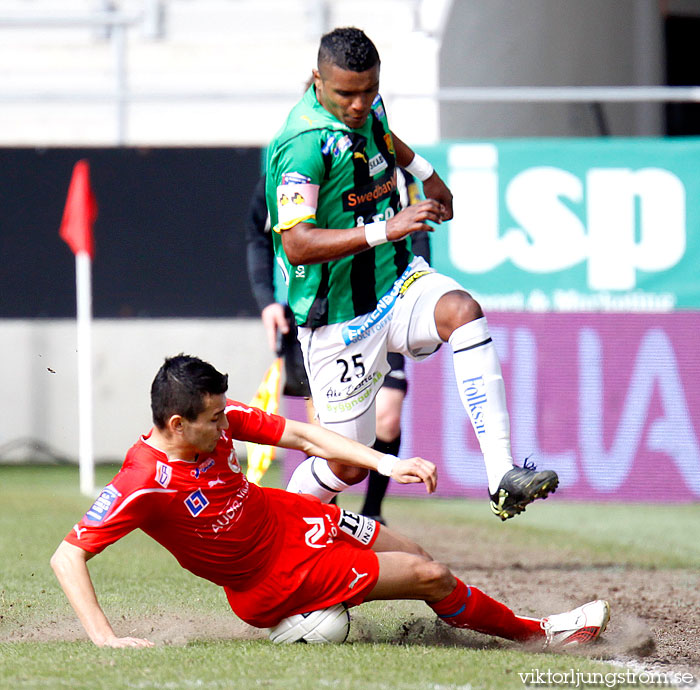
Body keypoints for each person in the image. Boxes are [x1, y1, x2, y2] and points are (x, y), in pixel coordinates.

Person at [50, 354, 609, 649]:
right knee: (430, 573)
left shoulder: (216, 421)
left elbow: (305, 436)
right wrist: (107, 639)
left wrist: (386, 463)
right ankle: (542, 633)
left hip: (290, 517)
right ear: (177, 423)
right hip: (273, 579)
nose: (226, 422)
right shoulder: (142, 480)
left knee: (412, 550)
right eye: (215, 417)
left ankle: (405, 619)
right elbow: (66, 556)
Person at [265, 26, 559, 520]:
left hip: (396, 284)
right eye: (346, 93)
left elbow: (384, 136)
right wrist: (388, 228)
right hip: (338, 320)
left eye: (368, 90)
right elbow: (296, 245)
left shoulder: (368, 107)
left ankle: (501, 474)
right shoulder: (301, 145)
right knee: (346, 467)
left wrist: (428, 175)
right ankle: (272, 524)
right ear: (317, 79)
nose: (359, 104)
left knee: (462, 311)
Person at [245, 168, 430, 523]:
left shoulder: (389, 168)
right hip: (317, 315)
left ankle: (374, 513)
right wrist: (266, 300)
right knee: (326, 435)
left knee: (387, 421)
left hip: (382, 307)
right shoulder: (292, 170)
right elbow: (257, 233)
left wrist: (416, 286)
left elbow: (417, 233)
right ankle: (325, 521)